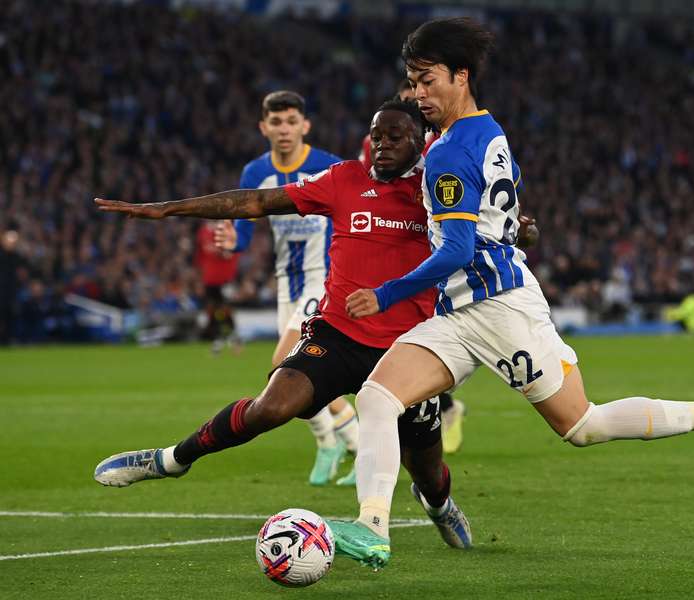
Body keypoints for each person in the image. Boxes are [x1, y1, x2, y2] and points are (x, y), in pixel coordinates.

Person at [328, 17, 694, 569]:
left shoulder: (445, 152)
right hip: (459, 313)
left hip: (500, 309)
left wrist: (386, 294)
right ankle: (372, 527)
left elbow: (459, 248)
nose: (417, 94)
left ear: (461, 76)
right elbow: (500, 213)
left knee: (582, 426)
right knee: (378, 397)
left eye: (427, 80)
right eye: (412, 82)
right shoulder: (486, 130)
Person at [92, 99, 473, 552]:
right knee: (272, 406)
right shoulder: (343, 179)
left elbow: (487, 231)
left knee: (426, 471)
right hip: (339, 334)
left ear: (420, 143)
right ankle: (172, 458)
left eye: (396, 137)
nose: (382, 145)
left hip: (407, 349)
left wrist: (522, 231)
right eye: (377, 135)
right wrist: (168, 209)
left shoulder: (435, 190)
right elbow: (254, 201)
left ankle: (439, 506)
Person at [215, 90, 357, 485]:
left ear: (304, 126)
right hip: (287, 287)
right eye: (276, 122)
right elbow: (242, 236)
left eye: (291, 121)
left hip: (325, 281)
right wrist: (231, 244)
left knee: (283, 367)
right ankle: (349, 445)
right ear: (264, 127)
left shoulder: (329, 166)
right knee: (311, 375)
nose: (284, 129)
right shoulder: (254, 174)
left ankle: (333, 443)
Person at [360, 81, 468, 454]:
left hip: (437, 266)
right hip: (402, 264)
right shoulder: (382, 146)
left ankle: (436, 416)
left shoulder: (444, 152)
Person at [194, 220, 239, 352]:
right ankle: (219, 338)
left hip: (225, 278)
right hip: (209, 279)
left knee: (225, 308)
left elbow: (231, 252)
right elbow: (201, 256)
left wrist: (225, 252)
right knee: (213, 309)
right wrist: (200, 278)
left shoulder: (226, 228)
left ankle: (231, 337)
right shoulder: (203, 231)